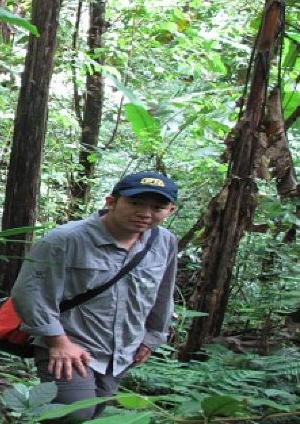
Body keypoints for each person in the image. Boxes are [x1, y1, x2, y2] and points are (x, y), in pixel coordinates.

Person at [10, 171, 179, 422]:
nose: (145, 213)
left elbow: (163, 292)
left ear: (171, 210)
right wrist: (58, 342)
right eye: (135, 203)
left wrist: (151, 337)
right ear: (111, 202)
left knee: (95, 415)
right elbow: (30, 293)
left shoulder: (164, 242)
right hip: (69, 343)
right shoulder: (66, 238)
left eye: (157, 207)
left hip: (122, 351)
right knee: (73, 414)